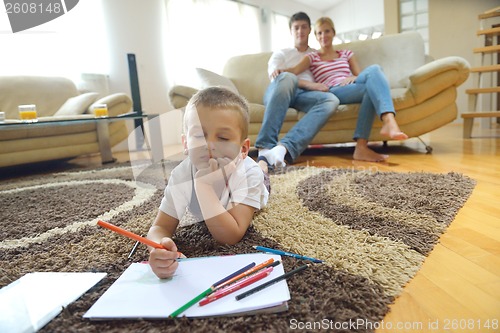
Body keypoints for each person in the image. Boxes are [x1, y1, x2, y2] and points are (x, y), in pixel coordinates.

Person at [147, 87, 269, 279]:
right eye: (198, 136)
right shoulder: (182, 174)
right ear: (186, 144)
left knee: (262, 172)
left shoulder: (248, 174)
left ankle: (264, 163)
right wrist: (160, 247)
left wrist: (203, 186)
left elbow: (230, 236)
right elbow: (159, 228)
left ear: (243, 148)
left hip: (256, 183)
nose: (209, 145)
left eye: (222, 137)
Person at [276, 17, 408, 162]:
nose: (323, 36)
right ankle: (388, 121)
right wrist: (279, 71)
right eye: (319, 33)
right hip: (333, 90)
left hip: (352, 85)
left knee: (374, 73)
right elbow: (293, 71)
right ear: (316, 37)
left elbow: (360, 75)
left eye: (326, 31)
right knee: (374, 73)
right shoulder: (312, 57)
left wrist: (353, 77)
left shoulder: (346, 54)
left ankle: (361, 148)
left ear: (333, 33)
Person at [255, 12, 339, 169]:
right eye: (296, 28)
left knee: (331, 100)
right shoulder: (281, 53)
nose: (300, 31)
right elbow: (277, 78)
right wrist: (309, 84)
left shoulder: (315, 54)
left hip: (303, 97)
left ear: (309, 30)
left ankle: (283, 149)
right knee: (288, 77)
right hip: (279, 92)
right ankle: (265, 148)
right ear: (291, 31)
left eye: (304, 27)